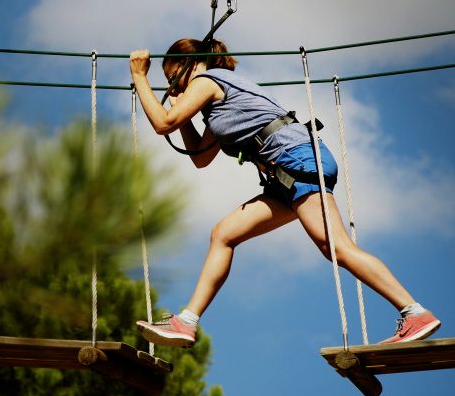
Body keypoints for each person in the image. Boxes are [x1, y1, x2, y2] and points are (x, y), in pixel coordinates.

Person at [129, 37, 440, 348]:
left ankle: (414, 313)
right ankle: (187, 322)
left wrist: (140, 77)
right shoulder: (216, 106)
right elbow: (200, 157)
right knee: (224, 234)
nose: (173, 88)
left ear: (190, 64)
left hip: (297, 160)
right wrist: (181, 111)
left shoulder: (208, 80)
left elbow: (163, 123)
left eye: (172, 79)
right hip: (285, 178)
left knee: (336, 247)